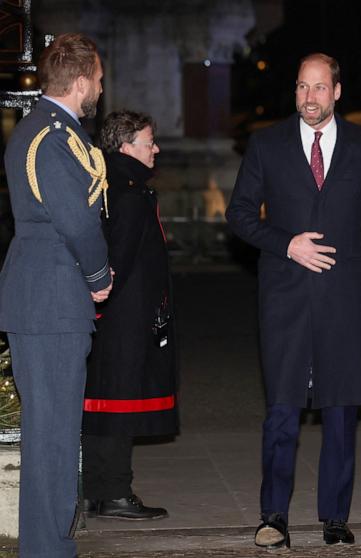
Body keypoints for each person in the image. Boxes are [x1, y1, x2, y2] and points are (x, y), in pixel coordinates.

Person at [226, 52, 361, 550]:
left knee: (340, 412)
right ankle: (274, 516)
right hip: (283, 298)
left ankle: (334, 516)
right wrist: (286, 243)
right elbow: (239, 215)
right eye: (302, 88)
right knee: (283, 410)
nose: (310, 97)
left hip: (344, 300)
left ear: (337, 91)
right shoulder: (267, 144)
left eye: (319, 88)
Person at [0, 33, 113, 558]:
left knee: (50, 434)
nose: (101, 91)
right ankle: (48, 551)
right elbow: (76, 219)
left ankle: (46, 546)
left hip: (41, 298)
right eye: (100, 80)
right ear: (84, 79)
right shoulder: (54, 136)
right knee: (54, 437)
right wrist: (99, 276)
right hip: (52, 299)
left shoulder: (40, 130)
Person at [82, 110, 175, 521]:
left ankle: (97, 491)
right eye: (149, 141)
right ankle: (116, 492)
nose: (155, 149)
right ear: (126, 146)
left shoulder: (108, 183)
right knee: (119, 402)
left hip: (112, 315)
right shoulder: (129, 192)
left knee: (102, 402)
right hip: (125, 316)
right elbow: (117, 257)